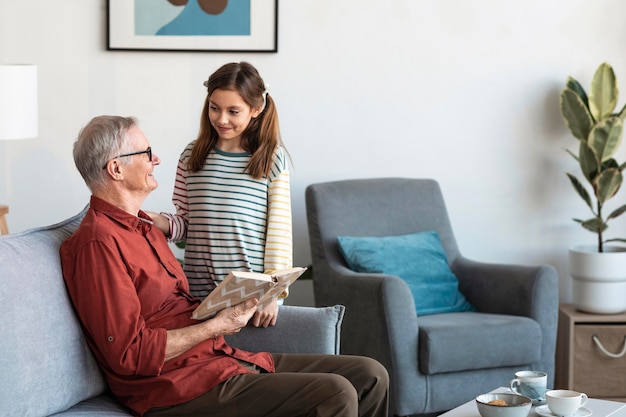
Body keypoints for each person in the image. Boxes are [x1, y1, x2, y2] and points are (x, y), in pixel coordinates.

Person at [60, 115, 389, 417]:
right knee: (335, 393)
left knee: (370, 375)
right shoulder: (97, 245)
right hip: (172, 388)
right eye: (146, 153)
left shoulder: (146, 226)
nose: (156, 159)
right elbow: (131, 353)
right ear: (116, 169)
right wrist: (216, 326)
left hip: (214, 359)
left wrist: (237, 298)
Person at [148, 62, 291, 328]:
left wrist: (271, 296)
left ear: (256, 109)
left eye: (233, 111)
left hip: (252, 300)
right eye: (215, 108)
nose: (221, 119)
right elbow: (187, 223)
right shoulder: (192, 156)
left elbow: (279, 236)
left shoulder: (271, 160)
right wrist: (160, 222)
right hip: (199, 299)